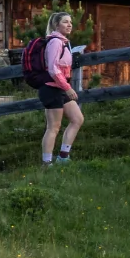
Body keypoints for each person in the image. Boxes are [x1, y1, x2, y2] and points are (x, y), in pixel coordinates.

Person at [36, 10, 83, 166]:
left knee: (77, 119)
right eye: (65, 21)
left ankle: (63, 157)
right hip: (51, 88)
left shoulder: (63, 42)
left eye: (70, 22)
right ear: (56, 24)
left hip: (60, 88)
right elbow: (53, 69)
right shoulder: (55, 41)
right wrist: (68, 87)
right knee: (54, 127)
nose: (69, 24)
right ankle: (47, 163)